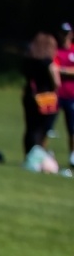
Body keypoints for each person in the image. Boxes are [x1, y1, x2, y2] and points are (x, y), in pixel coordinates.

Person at [24, 32, 62, 169]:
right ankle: (38, 154)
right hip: (46, 97)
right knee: (43, 128)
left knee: (30, 127)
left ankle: (28, 155)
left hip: (30, 96)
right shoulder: (48, 62)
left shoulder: (29, 61)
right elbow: (56, 82)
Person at [56, 24, 74, 165]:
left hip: (72, 96)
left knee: (72, 129)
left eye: (67, 33)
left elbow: (56, 69)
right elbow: (52, 67)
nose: (65, 36)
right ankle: (41, 156)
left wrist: (62, 70)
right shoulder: (55, 50)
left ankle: (72, 157)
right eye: (63, 33)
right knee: (46, 127)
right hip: (55, 95)